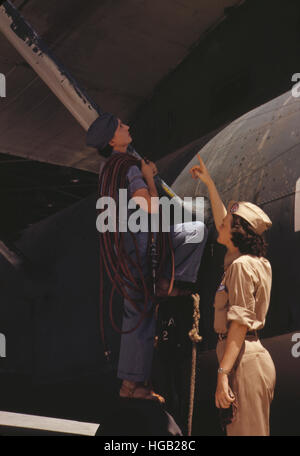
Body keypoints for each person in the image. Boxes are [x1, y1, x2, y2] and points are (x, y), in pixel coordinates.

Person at [87, 113, 208, 403]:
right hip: (139, 250)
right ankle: (134, 385)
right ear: (113, 140)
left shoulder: (107, 169)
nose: (127, 127)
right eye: (120, 126)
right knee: (196, 232)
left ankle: (129, 384)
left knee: (136, 313)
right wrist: (150, 179)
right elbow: (150, 207)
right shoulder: (128, 167)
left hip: (124, 250)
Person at [190, 154, 276, 436]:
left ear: (236, 234)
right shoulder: (251, 261)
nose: (221, 225)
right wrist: (210, 184)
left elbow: (238, 324)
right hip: (246, 357)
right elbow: (221, 220)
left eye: (227, 224)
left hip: (242, 361)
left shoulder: (240, 266)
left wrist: (222, 374)